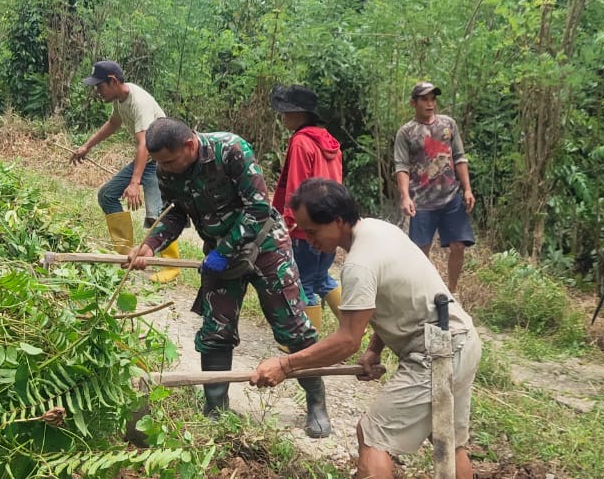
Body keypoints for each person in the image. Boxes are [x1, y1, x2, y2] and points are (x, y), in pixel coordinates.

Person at [249, 178, 481, 479]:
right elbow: (394, 298)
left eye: (312, 231)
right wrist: (374, 349)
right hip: (462, 340)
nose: (308, 239)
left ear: (337, 221)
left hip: (438, 353)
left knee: (373, 436)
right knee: (448, 443)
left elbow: (346, 341)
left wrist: (284, 365)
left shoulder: (359, 264)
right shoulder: (379, 229)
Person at [125, 118, 330, 438]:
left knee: (292, 328)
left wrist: (225, 251)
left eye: (168, 160)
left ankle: (316, 402)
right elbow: (175, 214)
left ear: (189, 146)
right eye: (159, 163)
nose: (163, 168)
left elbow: (259, 208)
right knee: (215, 331)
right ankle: (215, 407)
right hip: (219, 256)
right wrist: (150, 245)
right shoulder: (166, 168)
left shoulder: (230, 150)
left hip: (265, 244)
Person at [70, 60, 181, 282]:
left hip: (161, 161)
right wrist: (86, 146)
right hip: (147, 159)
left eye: (99, 86)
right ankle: (124, 252)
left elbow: (144, 145)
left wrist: (134, 183)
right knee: (107, 194)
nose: (97, 92)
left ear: (112, 81)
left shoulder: (138, 102)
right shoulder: (121, 100)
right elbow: (113, 124)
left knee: (157, 212)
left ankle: (171, 265)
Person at [270, 84, 344, 331]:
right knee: (322, 278)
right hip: (331, 222)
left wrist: (290, 221)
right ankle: (354, 326)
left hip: (308, 227)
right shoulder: (331, 142)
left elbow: (296, 186)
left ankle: (307, 338)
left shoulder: (302, 142)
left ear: (300, 115)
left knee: (305, 283)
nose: (283, 117)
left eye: (286, 112)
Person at [393, 81, 475, 293]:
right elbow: (401, 166)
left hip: (450, 196)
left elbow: (459, 157)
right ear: (414, 103)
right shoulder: (406, 132)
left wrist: (467, 189)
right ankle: (426, 293)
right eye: (424, 100)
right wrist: (405, 196)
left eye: (433, 99)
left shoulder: (448, 124)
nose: (430, 104)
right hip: (421, 200)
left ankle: (452, 292)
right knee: (420, 251)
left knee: (458, 245)